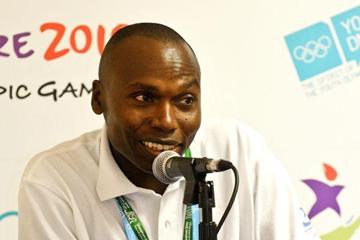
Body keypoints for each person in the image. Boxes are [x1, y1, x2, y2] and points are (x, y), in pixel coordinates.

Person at [18, 23, 319, 239]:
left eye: (185, 101)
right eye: (144, 98)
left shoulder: (238, 150)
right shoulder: (54, 179)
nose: (166, 121)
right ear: (99, 98)